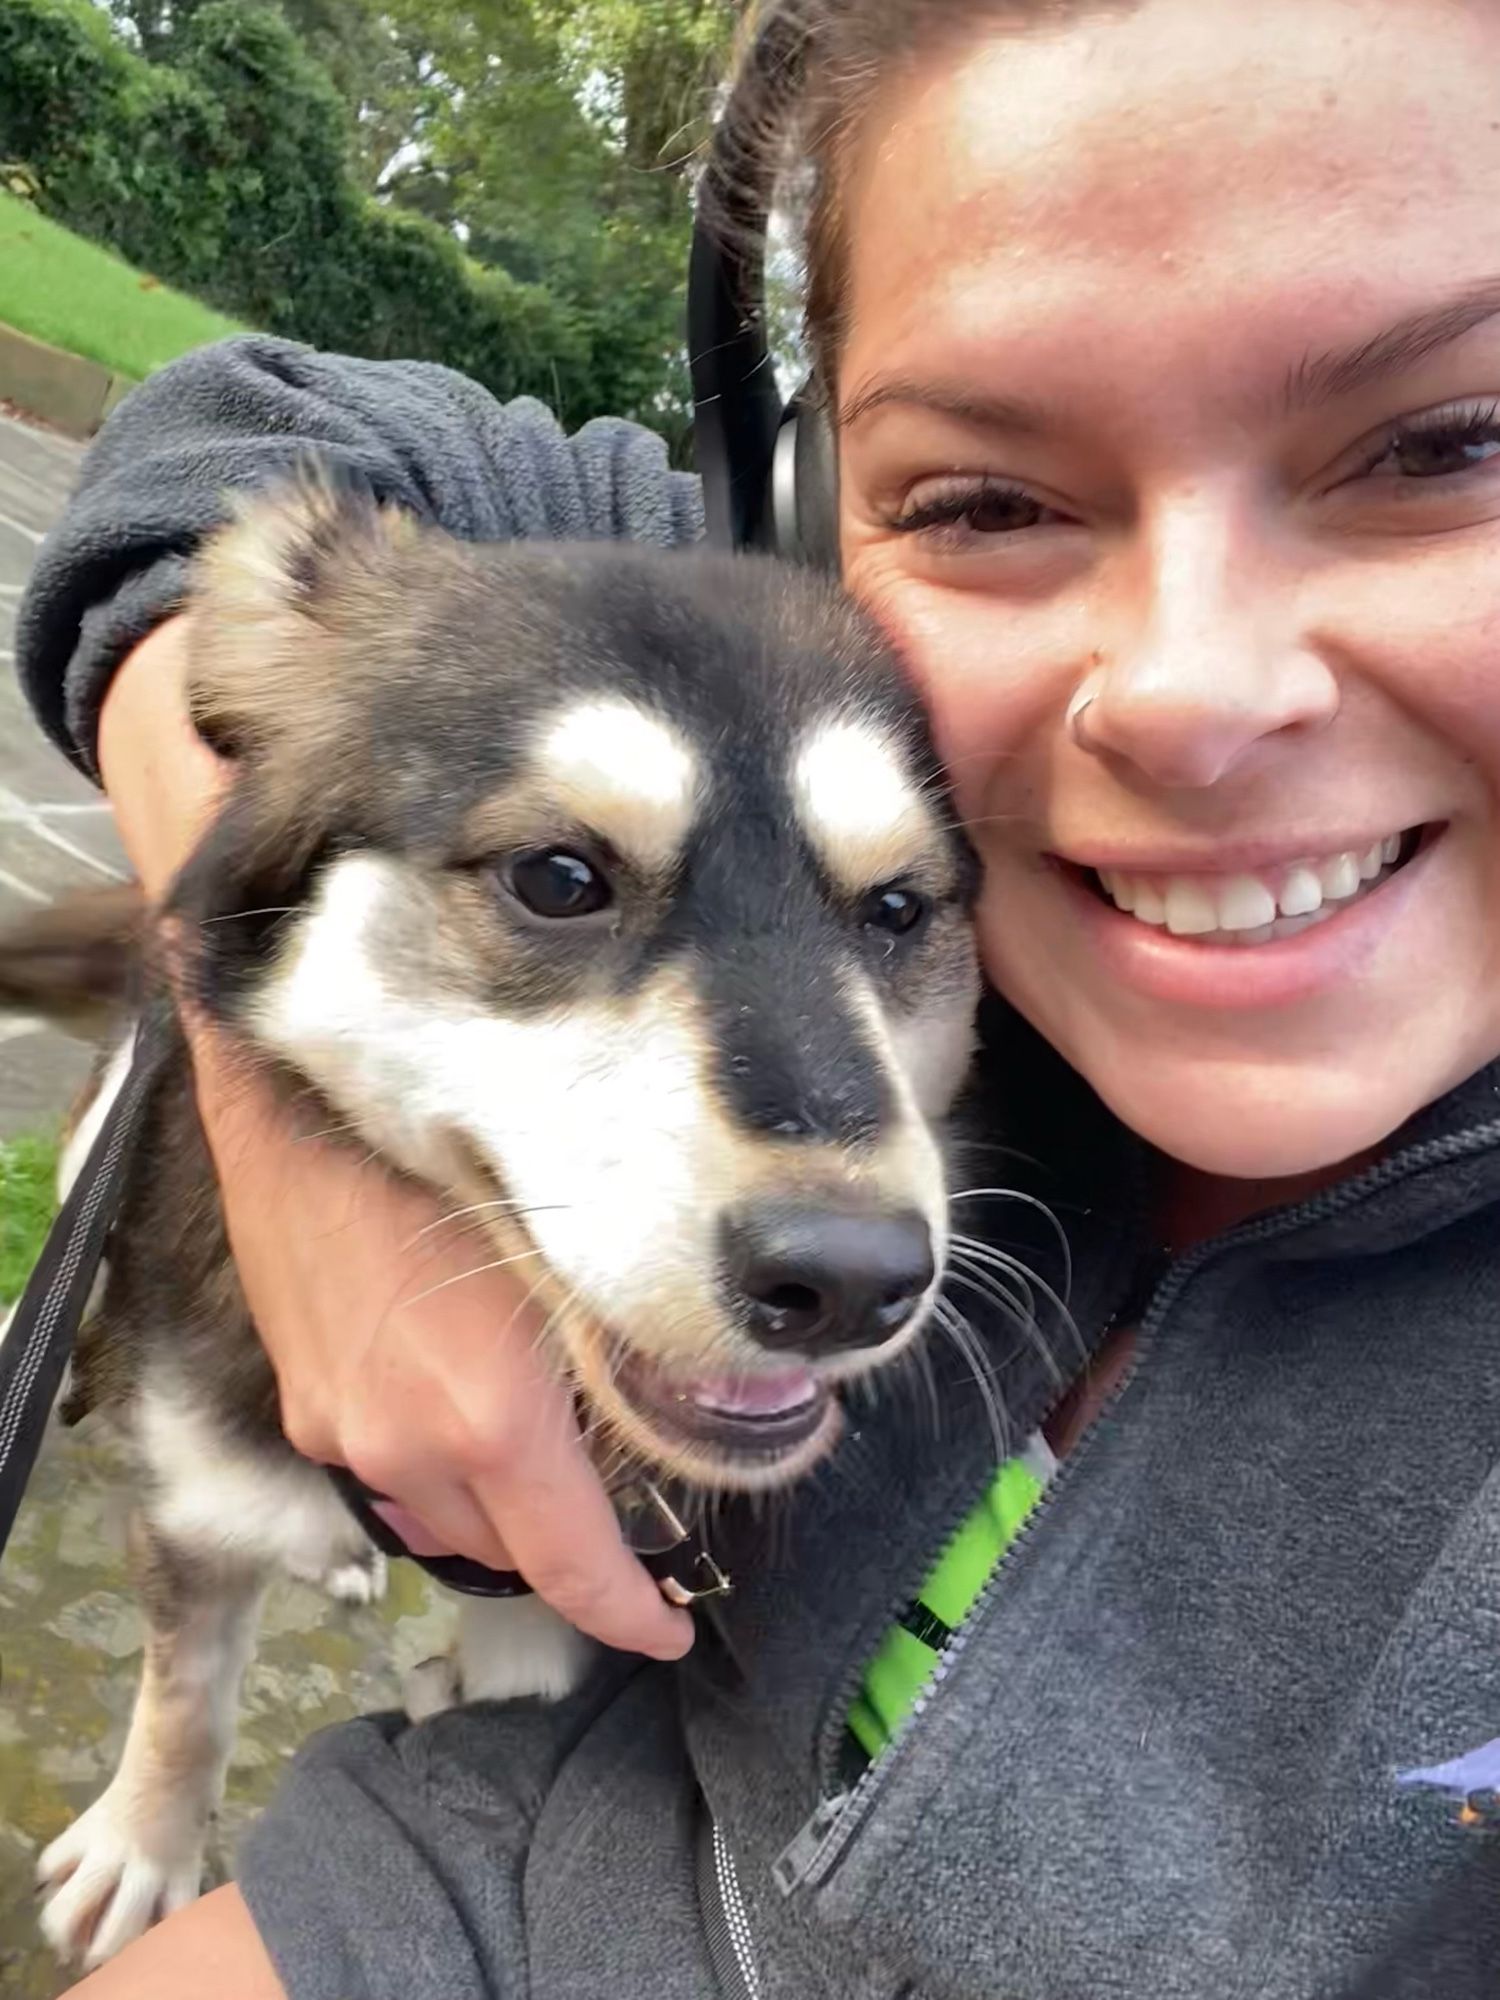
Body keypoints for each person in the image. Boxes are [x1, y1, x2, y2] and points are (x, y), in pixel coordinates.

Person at [21, 0, 1500, 1991]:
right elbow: (241, 434)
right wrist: (274, 1064)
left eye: (1448, 444)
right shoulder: (829, 672)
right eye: (983, 497)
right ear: (810, 515)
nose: (1186, 697)